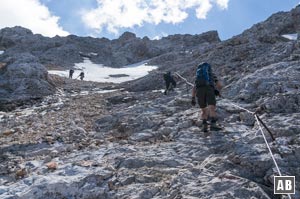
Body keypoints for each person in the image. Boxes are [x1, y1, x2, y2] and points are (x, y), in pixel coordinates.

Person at [191, 62, 222, 132]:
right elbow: (219, 85)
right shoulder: (211, 75)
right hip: (209, 89)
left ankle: (204, 126)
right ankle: (213, 125)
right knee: (211, 108)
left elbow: (194, 88)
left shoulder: (198, 77)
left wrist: (193, 98)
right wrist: (217, 91)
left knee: (204, 110)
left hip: (199, 91)